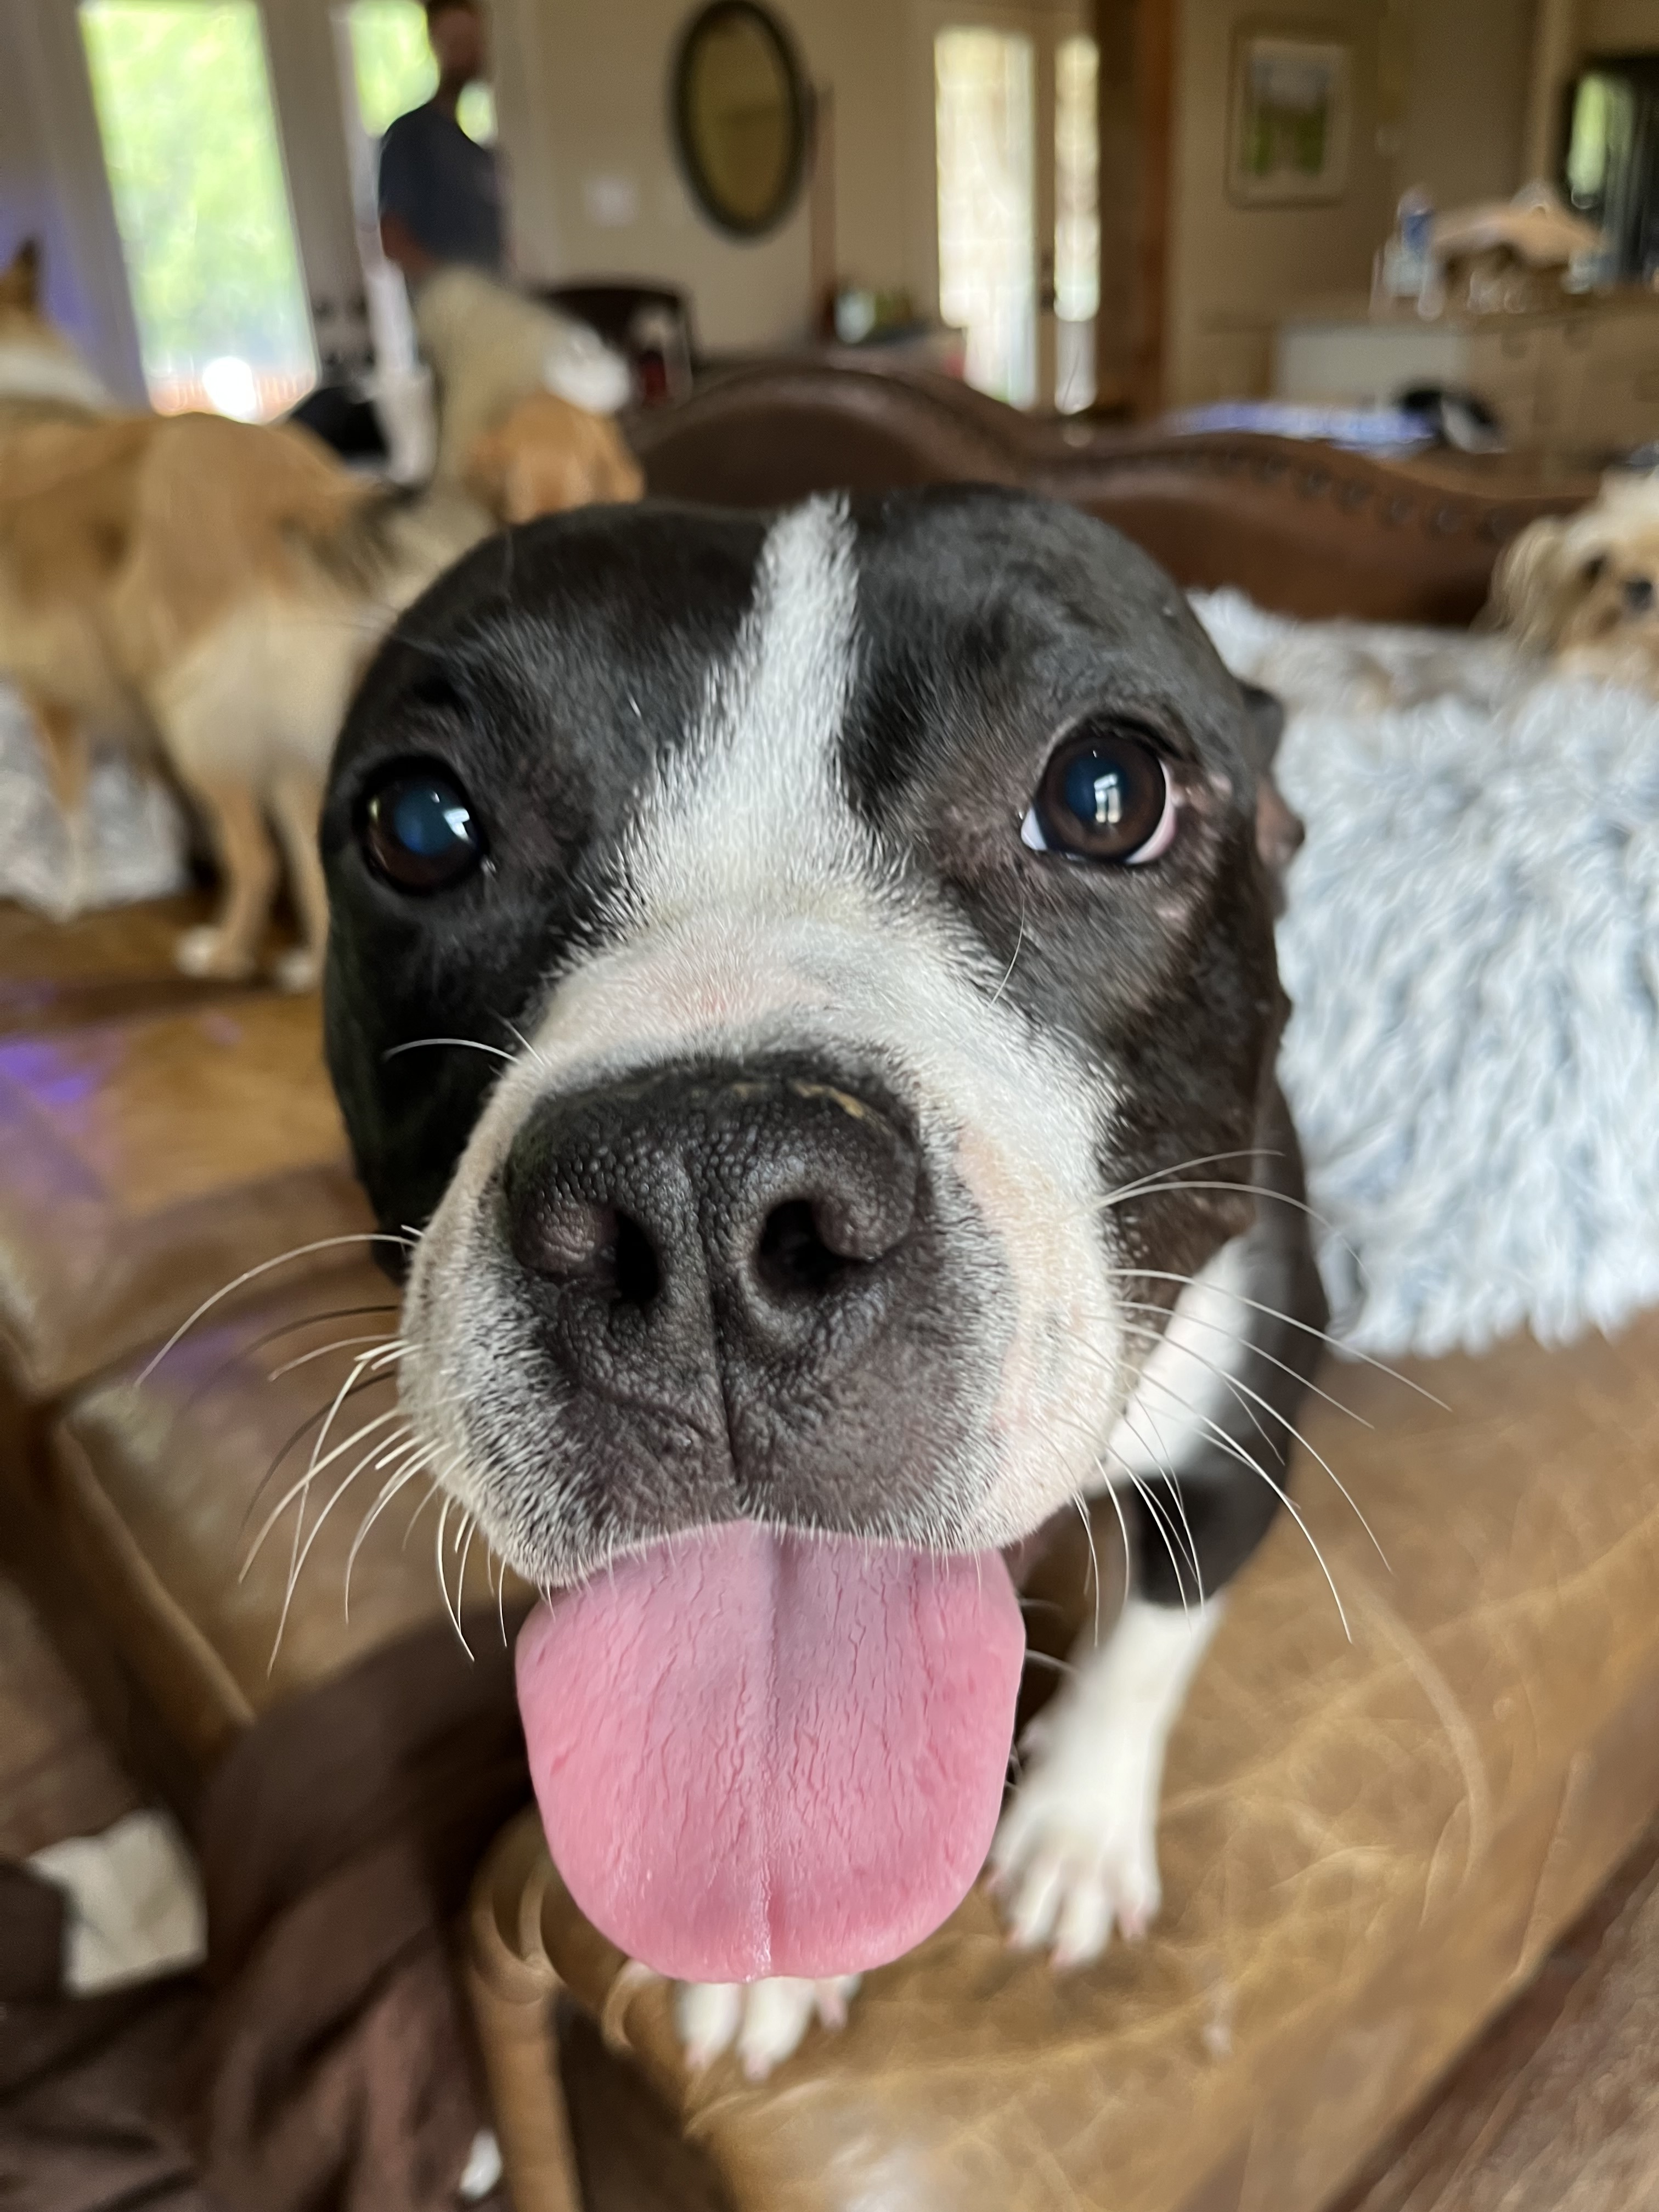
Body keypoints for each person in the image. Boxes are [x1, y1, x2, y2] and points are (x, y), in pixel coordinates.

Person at [378, 0, 504, 283]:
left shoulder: (477, 153)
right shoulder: (411, 135)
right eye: (456, 42)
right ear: (435, 46)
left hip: (492, 313)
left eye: (473, 41)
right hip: (449, 318)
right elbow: (392, 239)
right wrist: (456, 289)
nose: (469, 52)